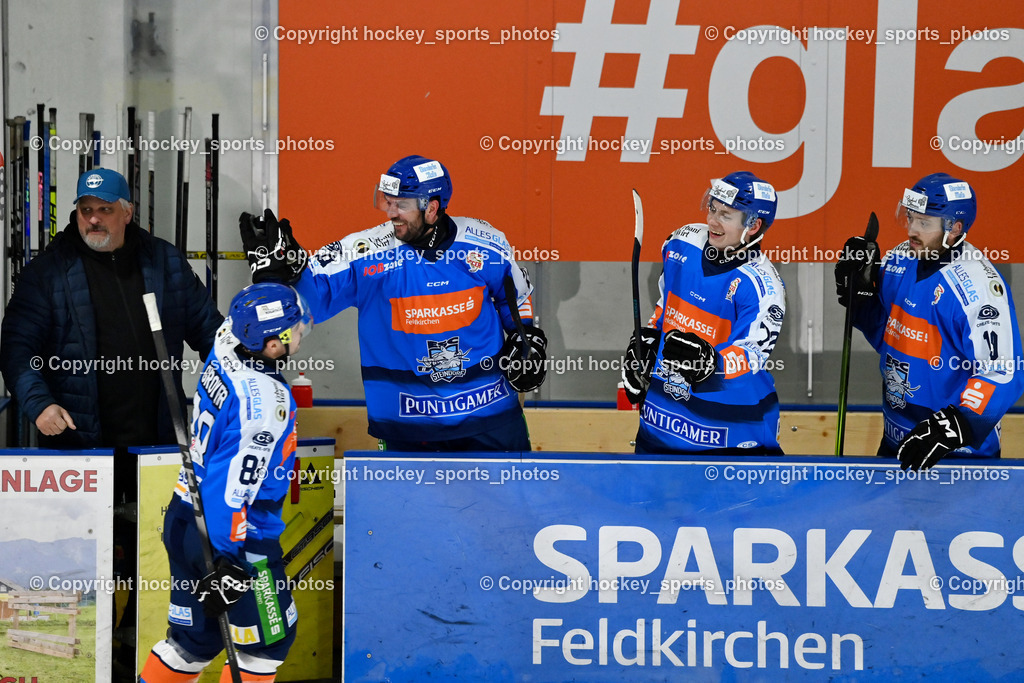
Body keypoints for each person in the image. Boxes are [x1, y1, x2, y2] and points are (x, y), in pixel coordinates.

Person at [238, 154, 546, 451]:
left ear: (432, 208)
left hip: (490, 416)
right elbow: (308, 302)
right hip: (408, 426)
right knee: (411, 507)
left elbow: (515, 300)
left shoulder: (486, 243)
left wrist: (527, 339)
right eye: (388, 201)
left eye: (402, 205)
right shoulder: (363, 252)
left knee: (511, 505)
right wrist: (278, 279)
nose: (391, 212)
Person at [140, 282, 310, 683]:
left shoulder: (228, 336)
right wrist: (228, 562)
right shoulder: (265, 405)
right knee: (266, 645)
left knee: (191, 643)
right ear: (272, 344)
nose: (303, 329)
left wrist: (272, 273)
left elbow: (253, 308)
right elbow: (231, 489)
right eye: (297, 326)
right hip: (231, 536)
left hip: (184, 514)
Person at [0, 167, 223, 448]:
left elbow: (211, 333)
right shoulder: (46, 273)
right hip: (80, 444)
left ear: (127, 213)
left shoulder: (166, 262)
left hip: (158, 440)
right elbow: (17, 350)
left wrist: (255, 362)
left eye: (105, 209)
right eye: (86, 209)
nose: (93, 218)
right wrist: (39, 404)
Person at [835, 172, 1023, 470]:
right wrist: (859, 298)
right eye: (910, 218)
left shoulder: (979, 288)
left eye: (924, 223)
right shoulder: (900, 260)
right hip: (897, 440)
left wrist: (956, 425)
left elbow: (1003, 371)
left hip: (957, 454)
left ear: (954, 228)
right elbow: (890, 335)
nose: (911, 230)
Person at [621, 171, 785, 454]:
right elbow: (666, 305)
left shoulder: (763, 287)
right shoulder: (681, 242)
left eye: (726, 214)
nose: (712, 220)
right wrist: (648, 341)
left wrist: (712, 363)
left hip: (728, 435)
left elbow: (753, 354)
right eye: (712, 208)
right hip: (661, 424)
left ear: (754, 226)